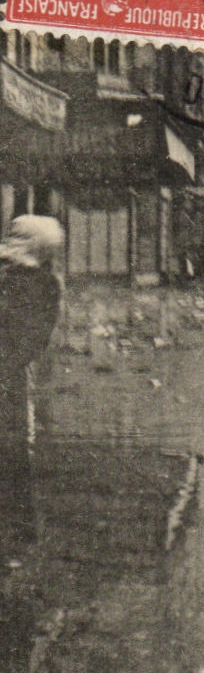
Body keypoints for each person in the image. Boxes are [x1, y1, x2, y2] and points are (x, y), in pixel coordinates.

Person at [1, 215, 63, 565]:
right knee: (11, 453)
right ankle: (17, 537)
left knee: (10, 452)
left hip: (8, 377)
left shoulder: (40, 284)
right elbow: (35, 339)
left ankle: (16, 537)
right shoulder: (40, 283)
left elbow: (32, 338)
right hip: (10, 375)